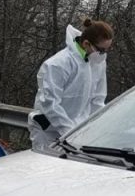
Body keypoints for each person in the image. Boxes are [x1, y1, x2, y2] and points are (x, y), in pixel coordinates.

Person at [28, 19, 113, 152]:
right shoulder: (58, 64)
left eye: (107, 50)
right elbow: (51, 104)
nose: (103, 55)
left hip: (77, 133)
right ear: (86, 44)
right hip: (49, 131)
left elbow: (98, 100)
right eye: (101, 50)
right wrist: (70, 133)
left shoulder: (97, 63)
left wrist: (96, 130)